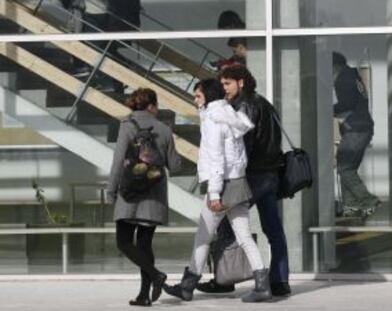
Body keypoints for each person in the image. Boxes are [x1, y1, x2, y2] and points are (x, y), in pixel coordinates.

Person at [163, 79, 272, 303]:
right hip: (238, 183)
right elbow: (237, 156)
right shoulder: (229, 115)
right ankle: (262, 285)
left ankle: (187, 285)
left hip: (221, 187)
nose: (194, 100)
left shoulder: (214, 119)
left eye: (198, 96)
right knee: (244, 237)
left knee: (202, 236)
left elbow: (217, 159)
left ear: (209, 97)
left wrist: (214, 194)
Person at [196, 64, 291, 297]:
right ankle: (279, 281)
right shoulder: (266, 104)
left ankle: (225, 279)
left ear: (241, 82)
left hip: (252, 176)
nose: (223, 88)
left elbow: (240, 146)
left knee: (227, 225)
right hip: (271, 175)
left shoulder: (244, 106)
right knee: (273, 230)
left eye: (227, 83)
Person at [107, 88, 181, 306]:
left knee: (123, 242)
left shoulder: (127, 125)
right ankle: (144, 295)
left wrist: (111, 191)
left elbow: (118, 161)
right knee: (144, 244)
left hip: (130, 193)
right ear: (151, 106)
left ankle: (156, 276)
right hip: (154, 195)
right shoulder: (164, 129)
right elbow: (175, 166)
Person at [332, 52, 381, 218]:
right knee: (347, 168)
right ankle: (351, 205)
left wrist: (327, 108)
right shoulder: (352, 75)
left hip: (356, 128)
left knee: (344, 168)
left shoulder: (342, 79)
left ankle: (368, 200)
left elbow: (347, 104)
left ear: (334, 66)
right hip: (361, 127)